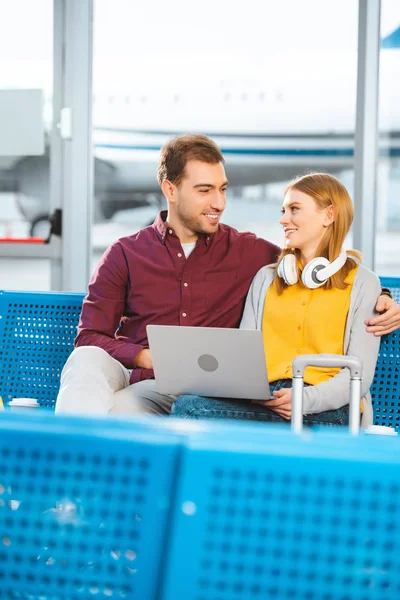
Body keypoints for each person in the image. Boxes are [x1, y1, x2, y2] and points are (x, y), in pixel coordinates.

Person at [56, 135, 400, 417]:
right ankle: (63, 485)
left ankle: (83, 482)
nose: (219, 202)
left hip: (200, 388)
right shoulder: (125, 252)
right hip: (139, 374)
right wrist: (143, 357)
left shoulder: (251, 253)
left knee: (121, 415)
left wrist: (382, 295)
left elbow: (316, 264)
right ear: (170, 190)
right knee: (86, 361)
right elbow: (90, 336)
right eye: (205, 190)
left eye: (223, 189)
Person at [171, 173, 383, 427]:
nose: (283, 220)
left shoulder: (364, 284)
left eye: (294, 209)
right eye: (283, 210)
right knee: (187, 402)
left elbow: (359, 377)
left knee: (190, 410)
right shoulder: (266, 278)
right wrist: (251, 393)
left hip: (329, 407)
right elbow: (243, 357)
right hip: (267, 400)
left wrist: (305, 398)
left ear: (329, 215)